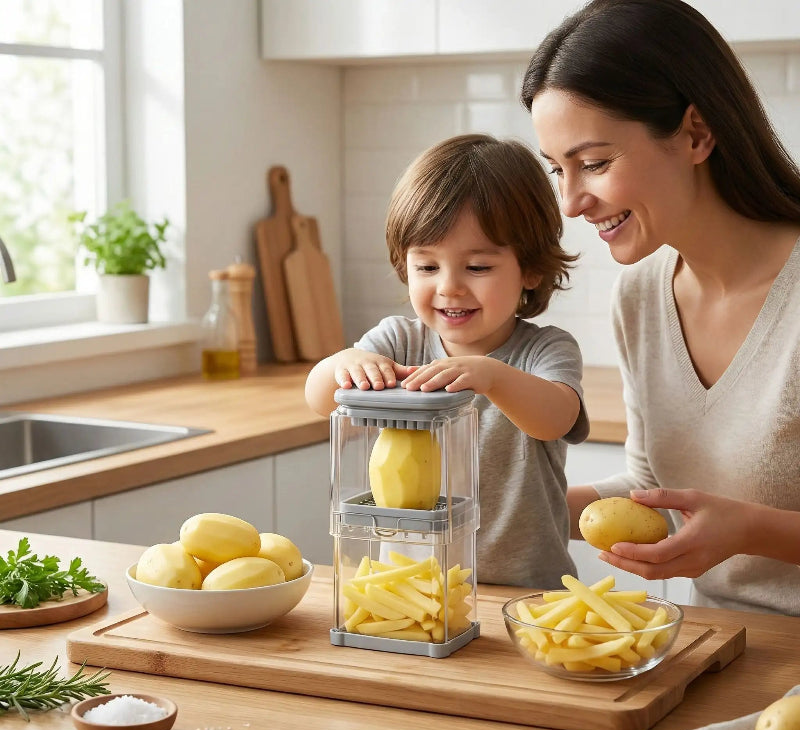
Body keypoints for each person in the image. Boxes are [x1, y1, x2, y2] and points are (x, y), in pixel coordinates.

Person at [520, 0, 800, 614]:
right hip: (719, 646)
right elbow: (652, 492)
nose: (571, 203)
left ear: (696, 134)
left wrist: (751, 530)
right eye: (557, 170)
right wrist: (502, 502)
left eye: (594, 163)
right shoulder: (643, 293)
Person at [305, 133, 589, 587]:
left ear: (531, 270)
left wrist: (493, 377)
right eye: (427, 267)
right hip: (410, 586)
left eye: (477, 267)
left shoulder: (544, 349)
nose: (449, 287)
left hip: (523, 590)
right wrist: (347, 361)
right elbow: (320, 398)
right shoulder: (397, 341)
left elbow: (556, 419)